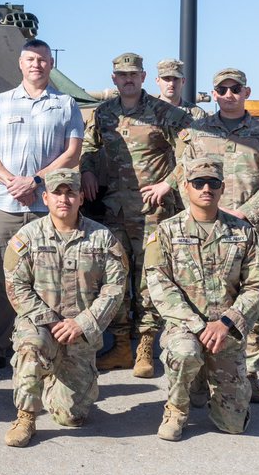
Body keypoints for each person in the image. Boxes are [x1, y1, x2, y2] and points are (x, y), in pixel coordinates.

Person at [170, 68, 259, 402]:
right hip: (204, 232)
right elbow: (183, 176)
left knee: (252, 303)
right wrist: (199, 216)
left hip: (250, 230)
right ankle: (202, 374)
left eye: (234, 88)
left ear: (246, 91)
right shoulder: (195, 132)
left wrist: (245, 214)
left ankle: (248, 374)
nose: (228, 94)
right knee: (203, 297)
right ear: (214, 93)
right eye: (221, 89)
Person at [0, 39, 86, 376]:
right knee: (1, 279)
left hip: (47, 205)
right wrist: (11, 181)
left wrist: (34, 182)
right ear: (20, 64)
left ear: (52, 64)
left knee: (50, 281)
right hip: (5, 203)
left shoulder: (65, 104)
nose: (36, 65)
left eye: (43, 60)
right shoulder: (0, 103)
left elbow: (73, 152)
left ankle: (49, 347)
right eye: (30, 59)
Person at [80, 52, 192, 378]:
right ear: (114, 78)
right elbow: (88, 148)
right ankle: (120, 345)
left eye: (133, 74)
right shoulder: (104, 114)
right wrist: (87, 171)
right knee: (114, 280)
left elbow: (192, 151)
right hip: (114, 211)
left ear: (143, 77)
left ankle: (145, 346)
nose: (127, 79)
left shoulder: (165, 113)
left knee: (148, 282)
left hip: (152, 212)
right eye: (121, 74)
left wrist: (167, 184)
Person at [146, 157, 259, 442]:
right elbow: (160, 286)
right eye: (198, 183)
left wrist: (226, 322)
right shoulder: (166, 232)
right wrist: (198, 326)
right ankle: (176, 408)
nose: (206, 189)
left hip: (226, 329)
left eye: (213, 183)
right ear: (186, 188)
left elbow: (256, 286)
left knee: (234, 425)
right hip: (185, 328)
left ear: (222, 188)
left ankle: (205, 381)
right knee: (186, 352)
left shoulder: (244, 232)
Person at [3, 169, 127, 447]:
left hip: (80, 333)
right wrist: (48, 321)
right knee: (30, 346)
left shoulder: (102, 238)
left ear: (81, 197)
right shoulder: (28, 237)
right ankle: (25, 417)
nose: (64, 198)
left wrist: (82, 322)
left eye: (70, 192)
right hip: (41, 326)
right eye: (57, 193)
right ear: (45, 198)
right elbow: (16, 285)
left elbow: (115, 287)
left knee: (71, 416)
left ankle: (52, 381)